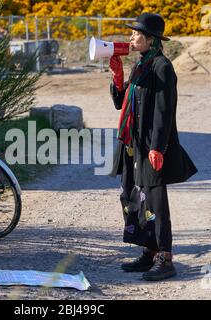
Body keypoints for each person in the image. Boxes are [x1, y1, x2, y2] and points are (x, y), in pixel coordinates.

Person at [109, 13, 197, 281]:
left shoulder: (162, 67)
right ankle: (149, 252)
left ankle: (165, 258)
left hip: (151, 147)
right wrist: (117, 75)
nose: (131, 37)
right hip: (133, 144)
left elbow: (164, 111)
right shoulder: (141, 65)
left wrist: (158, 147)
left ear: (150, 39)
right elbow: (121, 101)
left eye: (136, 34)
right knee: (133, 196)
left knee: (156, 201)